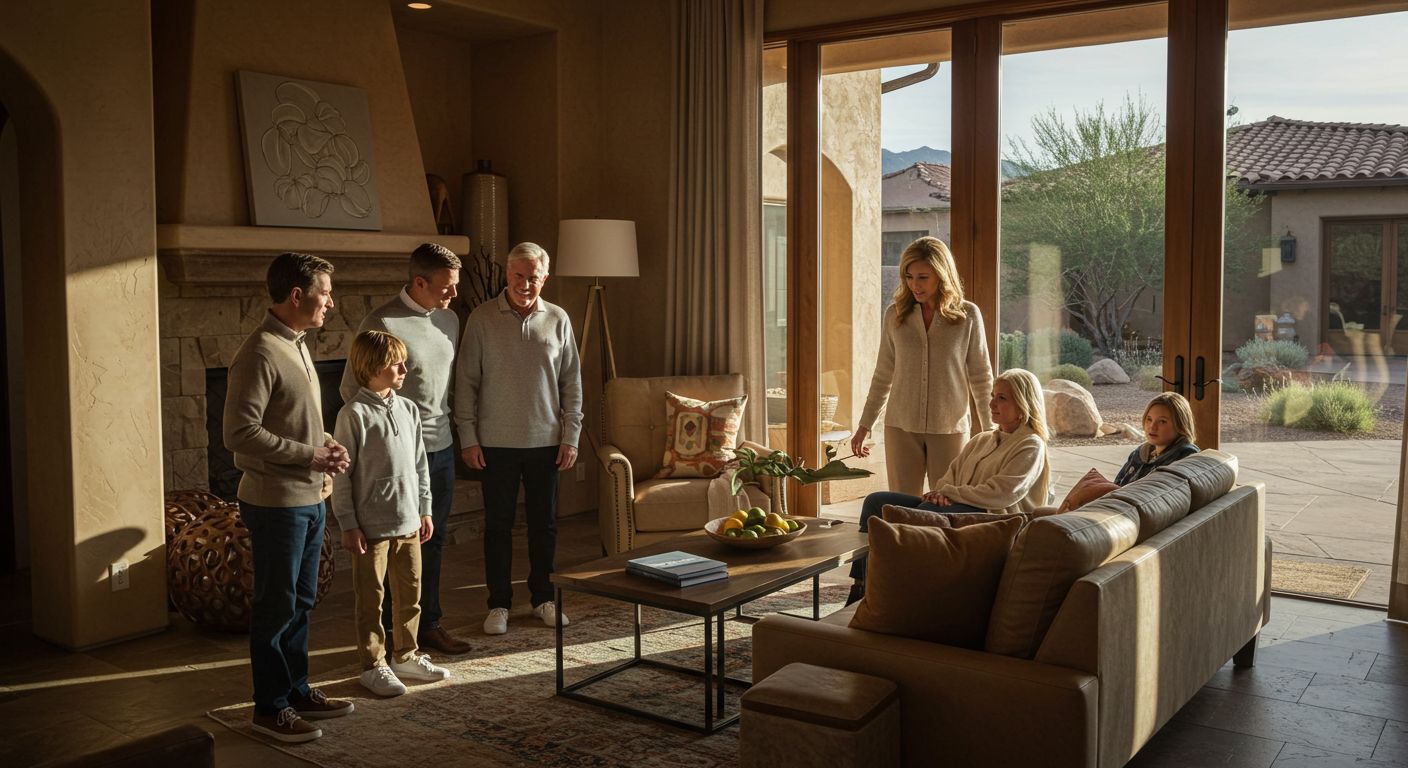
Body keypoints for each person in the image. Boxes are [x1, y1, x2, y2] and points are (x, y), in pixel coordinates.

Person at [224, 252, 353, 743]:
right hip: (276, 500)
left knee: (301, 600)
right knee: (276, 605)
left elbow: (293, 418)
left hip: (308, 496)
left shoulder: (296, 343)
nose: (331, 303)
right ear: (297, 295)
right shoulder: (258, 353)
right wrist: (309, 455)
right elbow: (239, 433)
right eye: (324, 293)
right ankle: (269, 707)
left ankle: (298, 690)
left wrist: (325, 443)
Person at [340, 243, 471, 656]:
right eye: (446, 287)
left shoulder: (450, 320)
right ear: (419, 282)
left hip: (440, 449)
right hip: (394, 457)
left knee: (430, 542)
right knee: (390, 555)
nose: (453, 295)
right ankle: (389, 642)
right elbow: (351, 388)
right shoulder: (380, 321)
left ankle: (425, 627)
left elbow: (449, 385)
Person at [455, 242, 583, 635]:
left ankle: (543, 597)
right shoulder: (481, 318)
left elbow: (572, 382)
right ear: (506, 276)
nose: (526, 284)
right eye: (518, 276)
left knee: (544, 526)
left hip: (547, 441)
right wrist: (468, 437)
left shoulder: (558, 319)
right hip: (494, 443)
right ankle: (498, 604)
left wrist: (572, 434)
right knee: (498, 526)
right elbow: (466, 383)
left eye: (533, 277)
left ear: (545, 278)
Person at [847, 368, 1050, 604]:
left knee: (921, 516)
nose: (991, 402)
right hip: (958, 507)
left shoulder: (1030, 445)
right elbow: (949, 476)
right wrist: (942, 492)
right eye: (993, 395)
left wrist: (950, 494)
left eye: (1001, 398)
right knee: (877, 502)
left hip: (995, 518)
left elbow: (1002, 493)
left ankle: (898, 590)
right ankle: (862, 585)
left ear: (1024, 404)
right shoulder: (982, 440)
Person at [334, 330, 451, 697]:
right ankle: (372, 664)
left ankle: (406, 653)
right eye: (396, 362)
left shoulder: (409, 408)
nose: (404, 367)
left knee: (411, 594)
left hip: (410, 522)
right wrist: (349, 525)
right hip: (372, 529)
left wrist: (425, 509)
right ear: (372, 366)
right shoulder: (352, 415)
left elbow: (420, 466)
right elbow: (342, 477)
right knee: (372, 598)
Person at [852, 236, 994, 496]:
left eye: (923, 277)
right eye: (909, 276)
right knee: (903, 506)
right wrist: (865, 425)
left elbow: (982, 378)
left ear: (942, 275)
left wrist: (990, 432)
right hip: (901, 427)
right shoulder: (895, 316)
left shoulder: (967, 316)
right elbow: (883, 374)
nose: (914, 285)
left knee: (948, 504)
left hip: (949, 426)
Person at [1114, 392, 1200, 486]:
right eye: (1149, 419)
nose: (1152, 427)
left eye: (1162, 421)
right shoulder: (1139, 453)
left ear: (1180, 425)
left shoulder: (1185, 457)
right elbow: (1117, 484)